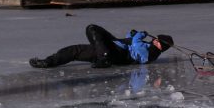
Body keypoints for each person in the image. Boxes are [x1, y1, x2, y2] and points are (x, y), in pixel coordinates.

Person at [29, 24, 174, 68]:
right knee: (74, 50)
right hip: (110, 48)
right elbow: (130, 42)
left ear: (160, 45)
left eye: (157, 40)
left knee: (92, 29)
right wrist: (131, 34)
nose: (154, 39)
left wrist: (138, 36)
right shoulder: (148, 47)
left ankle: (103, 57)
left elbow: (136, 48)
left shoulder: (150, 54)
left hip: (114, 53)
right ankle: (48, 62)